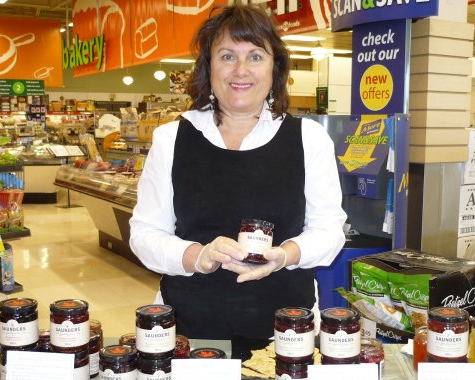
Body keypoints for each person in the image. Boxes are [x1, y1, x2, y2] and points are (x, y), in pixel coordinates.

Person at [129, 5, 346, 341]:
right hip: (187, 329)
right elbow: (144, 234)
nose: (241, 70)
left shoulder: (308, 139)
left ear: (275, 68)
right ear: (208, 67)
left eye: (256, 56)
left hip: (286, 334)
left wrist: (284, 255)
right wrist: (198, 256)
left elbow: (330, 231)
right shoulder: (172, 139)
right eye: (227, 56)